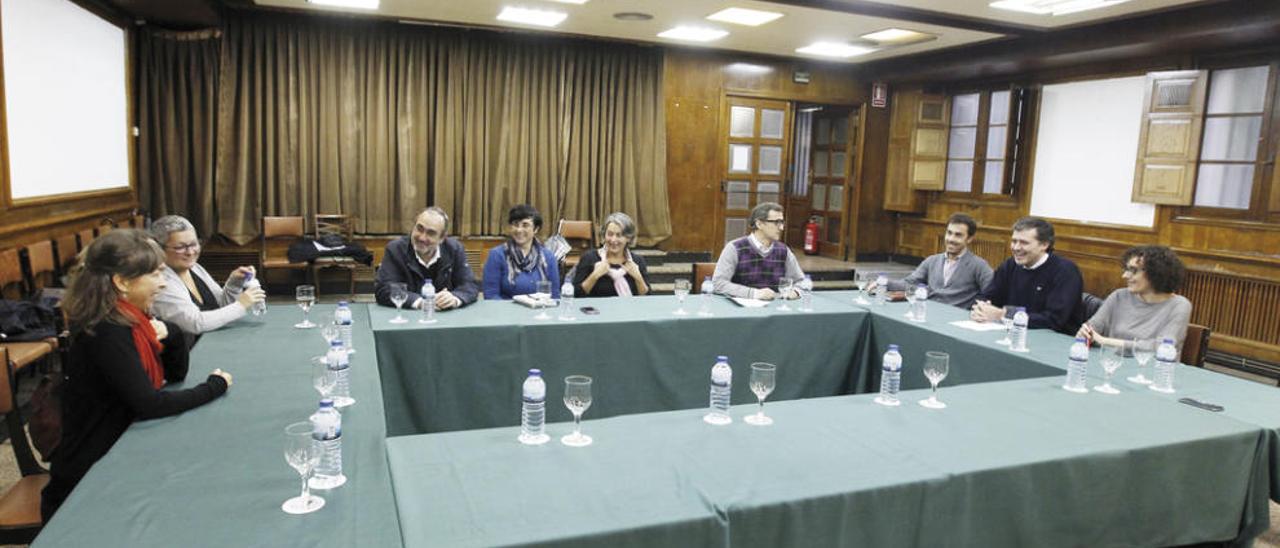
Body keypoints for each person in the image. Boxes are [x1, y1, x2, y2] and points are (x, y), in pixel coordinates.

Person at [43, 230, 232, 520]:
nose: (162, 283)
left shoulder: (134, 319)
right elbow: (151, 404)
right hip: (92, 476)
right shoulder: (107, 331)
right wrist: (214, 387)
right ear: (121, 282)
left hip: (121, 449)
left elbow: (176, 373)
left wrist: (172, 332)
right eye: (156, 275)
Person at [148, 215, 265, 348]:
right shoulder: (161, 282)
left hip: (215, 342)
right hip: (189, 354)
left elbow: (221, 309)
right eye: (180, 247)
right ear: (159, 249)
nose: (190, 252)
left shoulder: (195, 268)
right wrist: (241, 305)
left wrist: (234, 284)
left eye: (194, 244)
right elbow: (195, 323)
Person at [971, 217, 1084, 335]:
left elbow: (1053, 320)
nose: (1016, 248)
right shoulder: (1010, 265)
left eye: (1024, 243)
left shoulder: (1066, 271)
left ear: (1044, 244)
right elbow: (986, 296)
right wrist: (980, 308)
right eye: (1014, 241)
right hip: (1010, 334)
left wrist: (1004, 314)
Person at [865, 213, 993, 309]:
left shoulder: (979, 265)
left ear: (969, 239)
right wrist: (884, 283)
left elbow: (994, 293)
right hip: (926, 313)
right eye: (949, 233)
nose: (951, 239)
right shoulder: (932, 261)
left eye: (958, 235)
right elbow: (909, 283)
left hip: (956, 321)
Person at [1078, 245, 1192, 349]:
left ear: (1156, 272)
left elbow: (1161, 347)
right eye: (1126, 270)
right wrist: (1085, 332)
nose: (1125, 276)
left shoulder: (1179, 305)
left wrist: (1105, 341)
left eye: (1133, 270)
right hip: (1111, 364)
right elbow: (1092, 328)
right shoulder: (1119, 296)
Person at [374, 206, 479, 310]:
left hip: (445, 317)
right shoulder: (395, 249)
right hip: (407, 318)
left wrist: (455, 298)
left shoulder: (454, 249)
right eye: (419, 229)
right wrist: (420, 302)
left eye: (431, 233)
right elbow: (384, 289)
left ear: (442, 238)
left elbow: (469, 285)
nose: (422, 237)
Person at [712, 202, 808, 300]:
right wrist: (754, 293)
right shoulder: (735, 248)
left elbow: (802, 282)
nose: (781, 227)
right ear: (759, 224)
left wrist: (796, 291)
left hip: (775, 309)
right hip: (740, 310)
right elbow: (718, 283)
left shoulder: (784, 251)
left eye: (782, 222)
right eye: (776, 222)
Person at [483, 204, 561, 300]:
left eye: (525, 225)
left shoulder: (548, 257)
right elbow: (491, 294)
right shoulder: (497, 255)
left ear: (536, 229)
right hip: (506, 312)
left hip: (539, 311)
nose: (519, 230)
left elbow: (555, 295)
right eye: (515, 224)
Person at [572, 212, 650, 297]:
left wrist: (638, 278)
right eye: (610, 234)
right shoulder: (589, 258)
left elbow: (647, 298)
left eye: (619, 235)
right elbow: (576, 295)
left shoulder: (637, 261)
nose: (613, 240)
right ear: (604, 235)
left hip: (628, 309)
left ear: (628, 238)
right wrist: (594, 276)